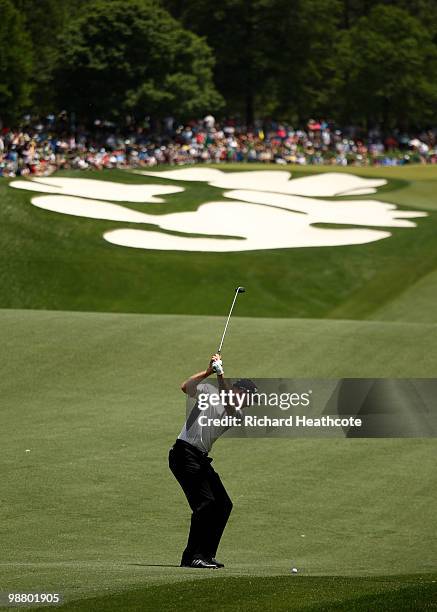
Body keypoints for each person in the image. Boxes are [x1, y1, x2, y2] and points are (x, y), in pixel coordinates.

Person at [169, 354, 256, 569]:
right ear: (239, 391)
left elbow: (227, 403)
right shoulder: (209, 391)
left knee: (224, 504)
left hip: (199, 458)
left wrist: (220, 374)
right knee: (206, 504)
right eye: (249, 398)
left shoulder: (236, 414)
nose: (249, 404)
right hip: (184, 454)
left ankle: (206, 554)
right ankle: (192, 557)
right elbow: (185, 387)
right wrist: (209, 371)